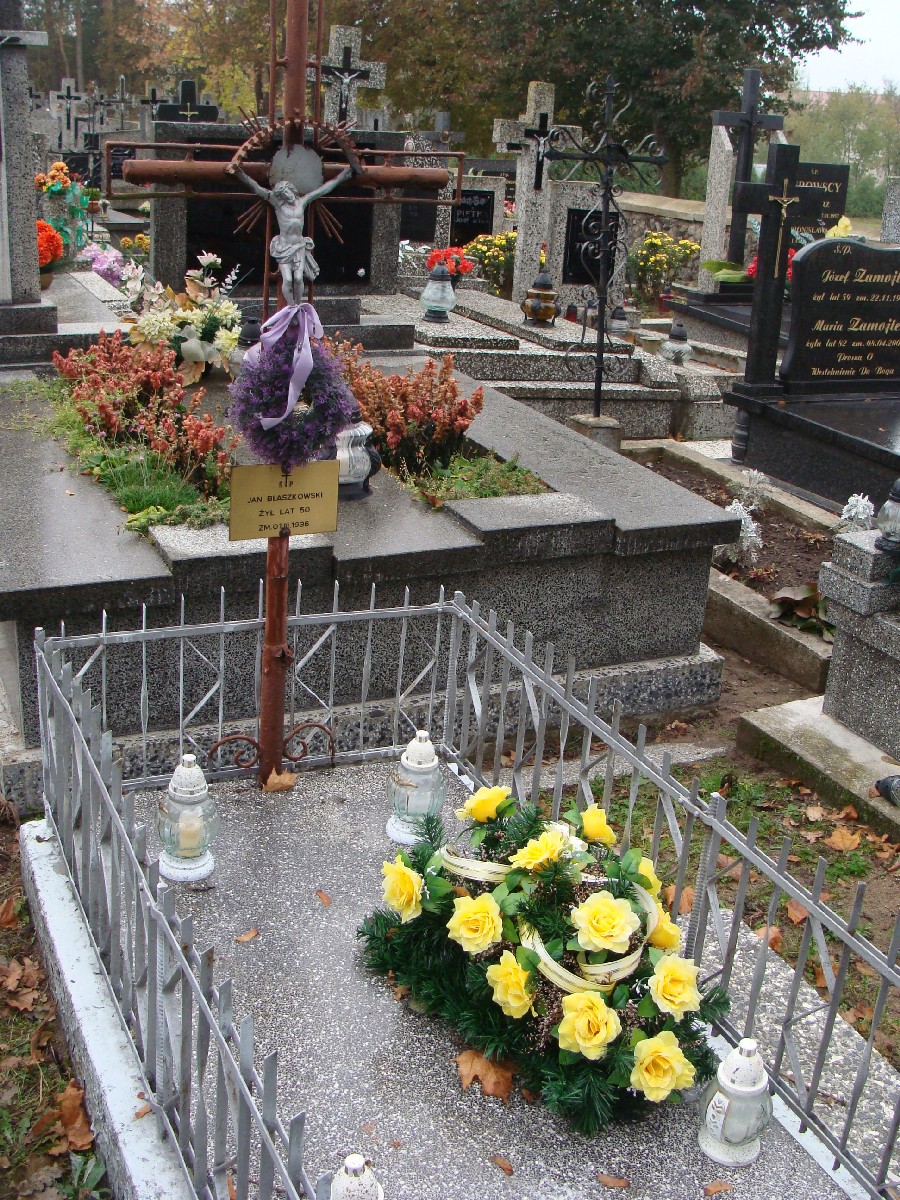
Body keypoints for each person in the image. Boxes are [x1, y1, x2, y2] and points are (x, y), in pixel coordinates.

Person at [229, 152, 358, 303]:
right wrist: (240, 174)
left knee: (298, 278)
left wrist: (342, 176)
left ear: (292, 190)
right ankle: (291, 306)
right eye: (284, 193)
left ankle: (298, 305)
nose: (288, 195)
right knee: (288, 280)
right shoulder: (278, 204)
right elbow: (257, 188)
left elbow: (323, 190)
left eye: (288, 191)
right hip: (284, 246)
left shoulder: (302, 202)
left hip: (299, 246)